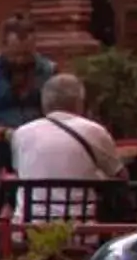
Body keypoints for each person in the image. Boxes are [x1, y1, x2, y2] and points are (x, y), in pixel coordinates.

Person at [7, 72, 121, 220]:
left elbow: (20, 172)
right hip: (82, 229)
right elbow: (120, 176)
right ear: (79, 102)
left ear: (44, 103)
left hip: (29, 228)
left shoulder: (21, 134)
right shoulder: (94, 131)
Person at [0, 15, 56, 178]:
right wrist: (5, 133)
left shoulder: (49, 71)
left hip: (40, 151)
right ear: (2, 46)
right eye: (15, 54)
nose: (21, 60)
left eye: (27, 54)